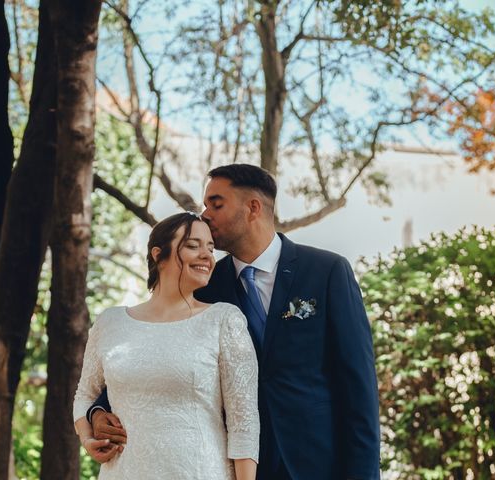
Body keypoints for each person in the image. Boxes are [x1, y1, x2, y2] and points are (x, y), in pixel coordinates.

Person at [88, 164, 381, 479]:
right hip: (232, 464)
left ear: (253, 208)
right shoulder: (206, 286)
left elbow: (358, 387)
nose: (204, 215)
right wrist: (99, 410)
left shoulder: (326, 272)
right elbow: (157, 349)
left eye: (216, 204)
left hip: (316, 463)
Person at [73, 212, 260, 480]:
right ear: (158, 255)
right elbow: (85, 394)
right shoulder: (110, 322)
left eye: (210, 248)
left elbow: (243, 422)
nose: (207, 256)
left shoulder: (224, 320)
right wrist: (87, 436)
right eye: (193, 246)